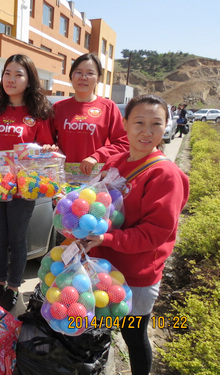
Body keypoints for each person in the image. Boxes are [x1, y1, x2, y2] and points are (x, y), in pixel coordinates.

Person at [84, 95, 189, 375]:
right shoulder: (116, 162)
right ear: (125, 124)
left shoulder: (165, 174)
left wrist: (107, 239)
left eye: (156, 124)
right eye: (139, 122)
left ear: (167, 127)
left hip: (136, 276)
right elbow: (97, 204)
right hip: (104, 267)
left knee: (133, 335)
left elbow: (154, 234)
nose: (147, 131)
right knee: (101, 327)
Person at [0, 54, 57, 311]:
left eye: (18, 74)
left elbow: (45, 148)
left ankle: (13, 287)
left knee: (17, 238)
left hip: (24, 188)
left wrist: (48, 150)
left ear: (29, 79)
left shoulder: (38, 114)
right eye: (7, 73)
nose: (11, 79)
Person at [52, 53, 129, 175]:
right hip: (61, 176)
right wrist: (54, 149)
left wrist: (97, 156)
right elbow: (47, 141)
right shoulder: (58, 108)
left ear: (98, 78)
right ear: (71, 76)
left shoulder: (108, 107)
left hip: (94, 178)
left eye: (90, 73)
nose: (83, 77)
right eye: (78, 72)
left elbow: (123, 143)